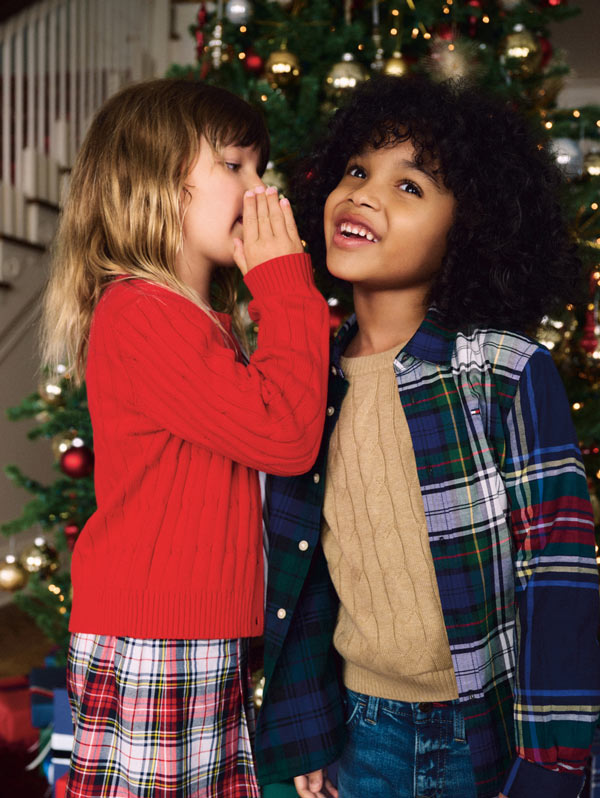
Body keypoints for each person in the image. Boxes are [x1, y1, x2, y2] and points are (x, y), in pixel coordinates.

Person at [254, 76, 600, 798]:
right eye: (357, 170)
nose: (364, 193)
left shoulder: (504, 371)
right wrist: (314, 729)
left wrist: (549, 765)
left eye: (409, 186)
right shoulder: (307, 382)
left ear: (465, 230)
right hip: (363, 729)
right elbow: (305, 572)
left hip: (490, 731)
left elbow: (558, 574)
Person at [40, 78, 330, 797]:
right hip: (160, 637)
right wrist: (286, 282)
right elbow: (288, 435)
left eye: (261, 167)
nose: (260, 190)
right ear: (156, 183)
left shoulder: (197, 318)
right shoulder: (141, 313)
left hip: (197, 633)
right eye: (235, 166)